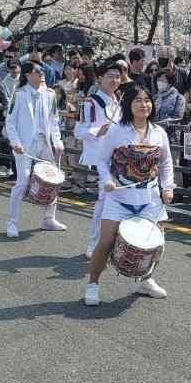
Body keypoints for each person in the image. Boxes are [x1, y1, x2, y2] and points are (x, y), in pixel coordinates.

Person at [84, 82, 174, 306]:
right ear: (128, 104)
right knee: (105, 242)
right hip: (119, 199)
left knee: (156, 243)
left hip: (150, 199)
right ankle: (93, 284)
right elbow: (102, 161)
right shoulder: (116, 131)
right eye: (137, 100)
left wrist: (168, 187)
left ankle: (146, 279)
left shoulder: (159, 132)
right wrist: (107, 181)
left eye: (147, 100)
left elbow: (166, 163)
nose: (144, 105)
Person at [5, 60, 66, 237]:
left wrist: (58, 142)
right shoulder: (19, 94)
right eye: (38, 71)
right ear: (27, 75)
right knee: (23, 181)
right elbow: (10, 122)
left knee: (53, 179)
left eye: (42, 71)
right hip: (24, 144)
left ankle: (49, 218)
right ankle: (12, 222)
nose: (42, 74)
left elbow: (54, 121)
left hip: (44, 143)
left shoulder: (50, 94)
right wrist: (15, 142)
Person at [74, 62, 124, 257]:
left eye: (118, 77)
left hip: (119, 157)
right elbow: (78, 131)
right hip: (101, 158)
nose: (114, 80)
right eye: (110, 76)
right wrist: (97, 131)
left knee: (114, 200)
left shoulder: (118, 99)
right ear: (100, 78)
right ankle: (94, 242)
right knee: (104, 199)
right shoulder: (90, 102)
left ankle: (112, 242)